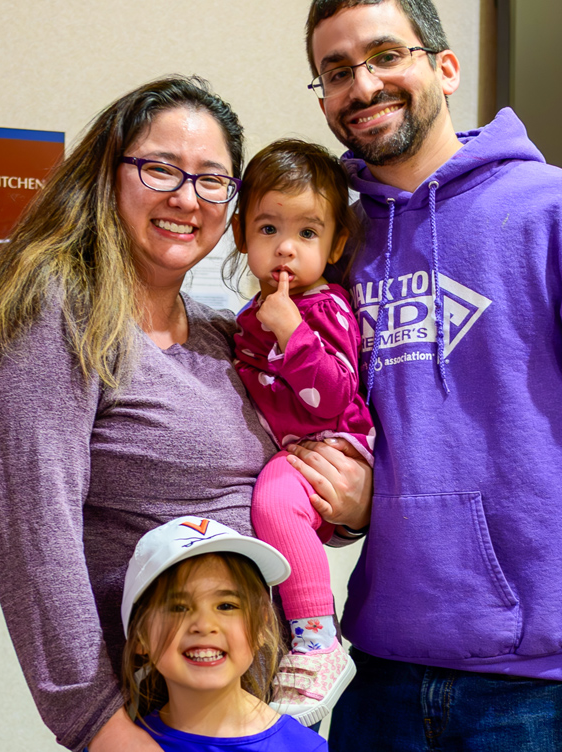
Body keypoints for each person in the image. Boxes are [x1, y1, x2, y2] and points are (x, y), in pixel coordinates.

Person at [0, 75, 371, 752]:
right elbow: (34, 540)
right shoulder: (56, 313)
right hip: (150, 722)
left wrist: (354, 507)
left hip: (265, 712)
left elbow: (283, 487)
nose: (186, 198)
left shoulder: (228, 333)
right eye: (161, 168)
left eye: (211, 180)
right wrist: (98, 724)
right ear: (108, 174)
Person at [302, 0, 562, 752]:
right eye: (337, 72)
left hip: (540, 691)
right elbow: (333, 427)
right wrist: (344, 507)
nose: (362, 85)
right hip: (376, 675)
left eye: (385, 55)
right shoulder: (337, 242)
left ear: (445, 67)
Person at [226, 139, 372, 725]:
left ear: (335, 245)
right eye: (268, 228)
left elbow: (333, 397)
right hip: (298, 448)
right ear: (241, 235)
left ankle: (318, 640)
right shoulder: (249, 316)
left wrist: (292, 334)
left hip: (332, 443)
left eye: (307, 233)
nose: (286, 247)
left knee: (274, 501)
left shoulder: (324, 308)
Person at [120, 515, 327, 751]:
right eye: (178, 608)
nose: (204, 625)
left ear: (262, 626)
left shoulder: (304, 747)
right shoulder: (117, 745)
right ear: (140, 637)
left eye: (226, 606)